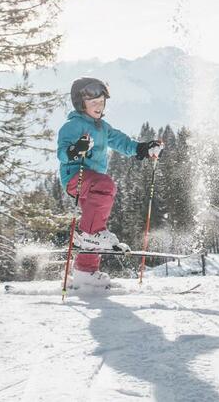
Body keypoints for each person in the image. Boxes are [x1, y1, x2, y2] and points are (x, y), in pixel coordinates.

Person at [58, 77, 162, 289]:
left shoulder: (103, 127)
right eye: (93, 103)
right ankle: (91, 236)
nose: (99, 106)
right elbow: (62, 152)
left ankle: (85, 273)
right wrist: (76, 149)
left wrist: (143, 148)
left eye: (101, 102)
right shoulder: (73, 125)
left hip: (93, 184)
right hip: (75, 178)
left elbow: (123, 143)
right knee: (106, 186)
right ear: (81, 104)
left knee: (94, 226)